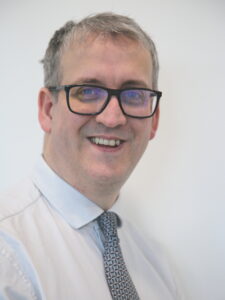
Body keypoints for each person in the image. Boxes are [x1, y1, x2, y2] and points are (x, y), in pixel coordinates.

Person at [0, 12, 179, 300]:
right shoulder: (7, 253)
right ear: (48, 110)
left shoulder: (156, 264)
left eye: (133, 95)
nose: (112, 118)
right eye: (87, 91)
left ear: (153, 121)